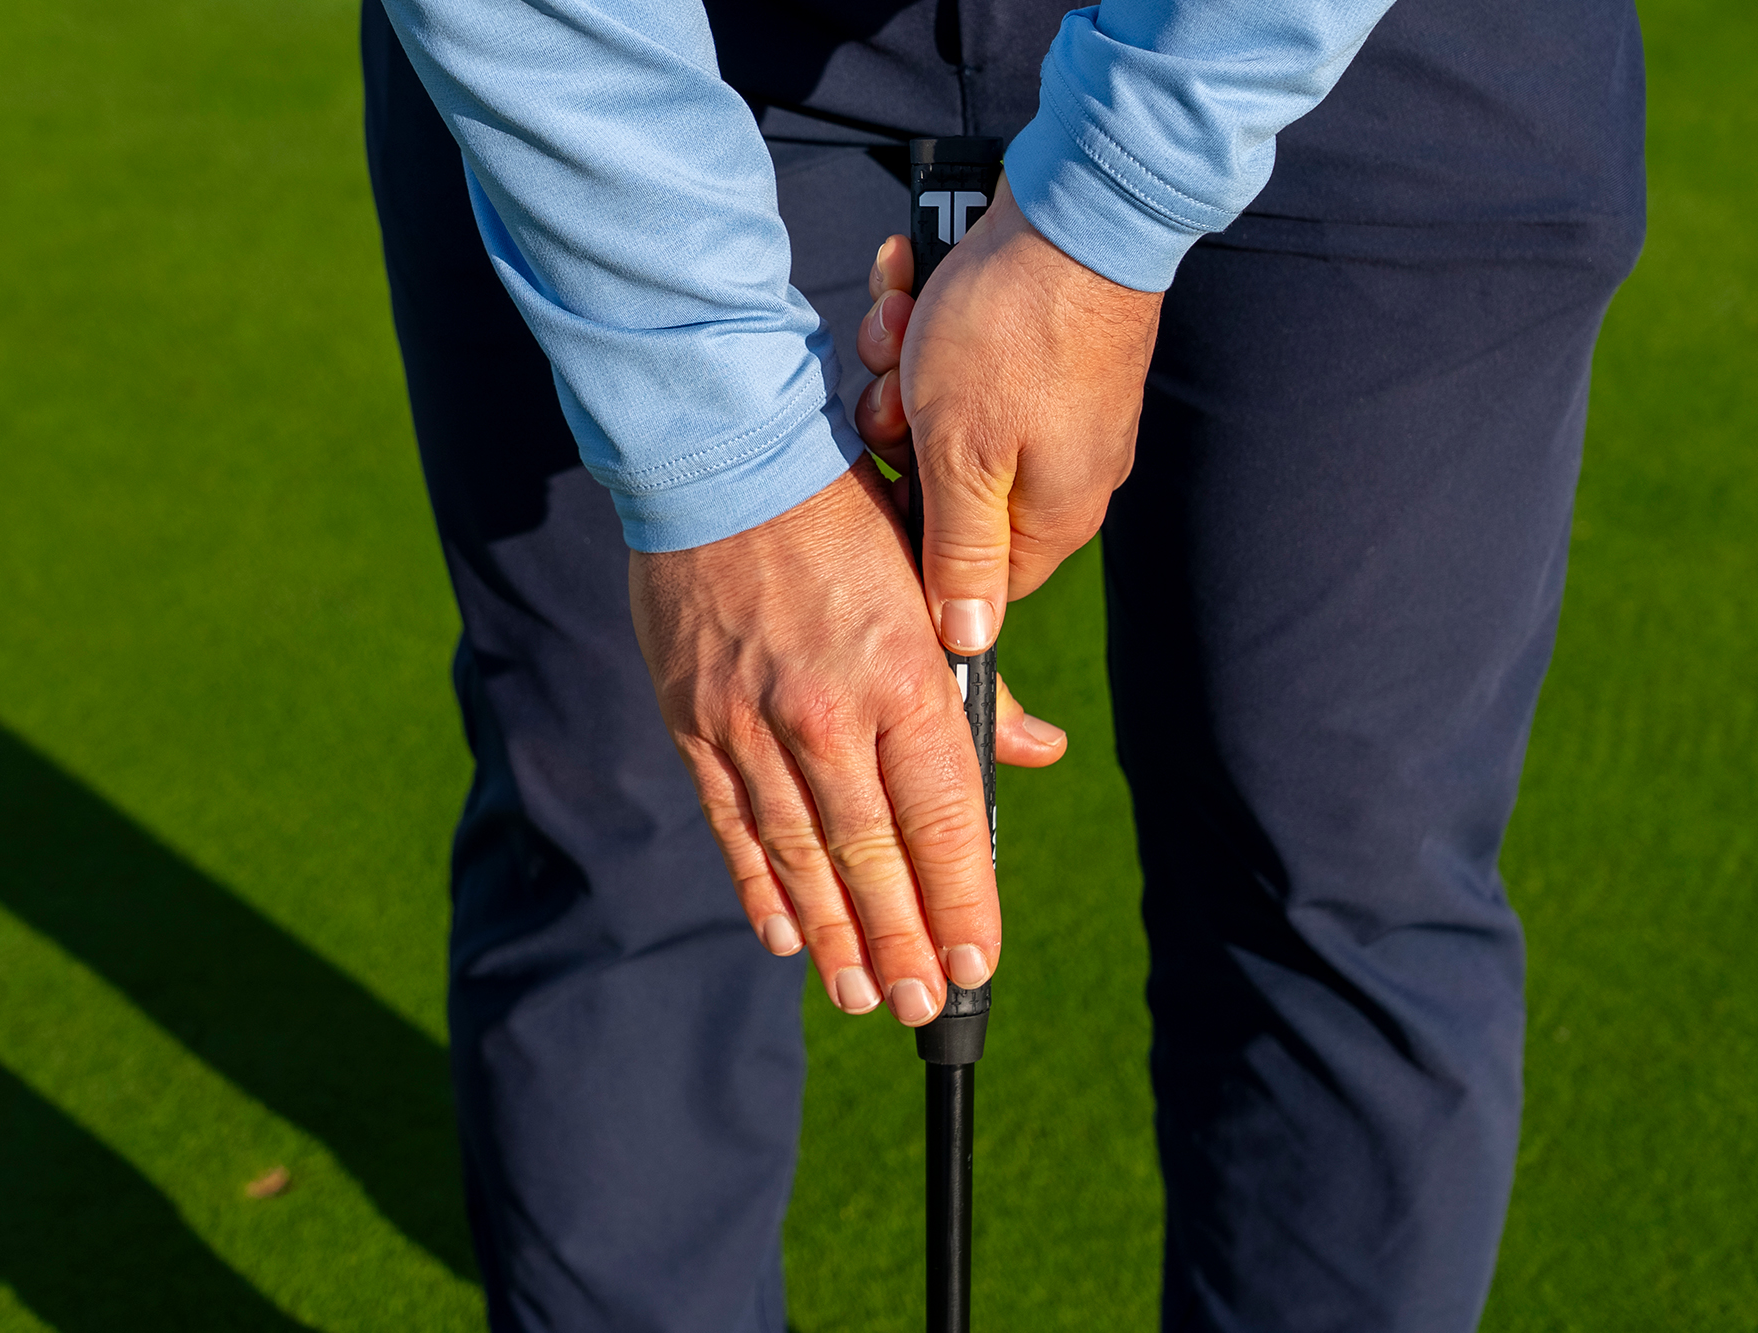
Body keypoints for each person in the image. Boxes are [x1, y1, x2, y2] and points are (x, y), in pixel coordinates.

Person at [360, 0, 1645, 1326]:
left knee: (1343, 873)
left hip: (1369, 49)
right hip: (646, 52)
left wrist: (1114, 204)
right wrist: (716, 459)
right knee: (635, 831)